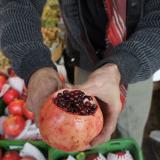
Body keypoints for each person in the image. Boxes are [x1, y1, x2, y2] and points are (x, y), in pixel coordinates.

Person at [0, 0, 159, 147]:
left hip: (141, 63)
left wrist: (127, 63)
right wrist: (34, 63)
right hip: (86, 57)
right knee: (90, 142)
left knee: (132, 128)